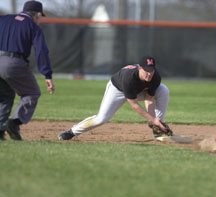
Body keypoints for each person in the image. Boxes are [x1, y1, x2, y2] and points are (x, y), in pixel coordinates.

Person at [58, 56, 169, 140]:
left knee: (163, 90)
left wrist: (153, 120)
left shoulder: (155, 77)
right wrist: (152, 119)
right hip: (117, 90)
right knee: (101, 119)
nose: (149, 74)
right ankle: (72, 131)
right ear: (139, 68)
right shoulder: (129, 78)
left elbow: (149, 98)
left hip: (138, 91)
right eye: (146, 70)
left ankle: (158, 127)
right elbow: (134, 105)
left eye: (151, 70)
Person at [0, 1, 55, 140]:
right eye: (40, 17)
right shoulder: (32, 26)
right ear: (37, 14)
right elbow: (41, 51)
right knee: (32, 93)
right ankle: (14, 122)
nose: (40, 19)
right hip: (13, 63)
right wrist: (47, 74)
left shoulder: (3, 19)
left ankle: (0, 130)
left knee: (5, 96)